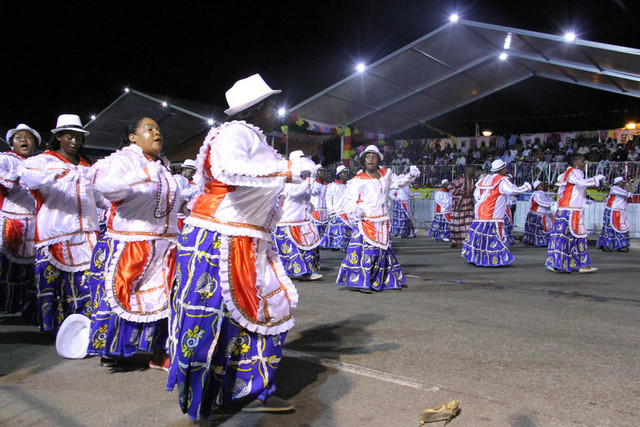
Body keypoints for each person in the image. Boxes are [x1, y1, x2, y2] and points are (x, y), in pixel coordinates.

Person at [167, 74, 316, 419]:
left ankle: (253, 386)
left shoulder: (251, 136)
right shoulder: (233, 132)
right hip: (220, 237)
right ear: (260, 108)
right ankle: (206, 397)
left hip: (245, 238)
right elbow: (229, 170)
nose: (276, 112)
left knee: (261, 311)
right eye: (272, 106)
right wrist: (288, 168)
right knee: (211, 319)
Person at [86, 117, 180, 370]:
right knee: (122, 297)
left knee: (167, 299)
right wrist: (141, 177)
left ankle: (160, 352)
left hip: (166, 245)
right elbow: (109, 187)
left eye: (158, 129)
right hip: (133, 243)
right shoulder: (124, 160)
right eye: (149, 129)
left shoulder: (162, 166)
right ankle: (112, 348)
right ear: (132, 137)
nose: (156, 132)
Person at [20, 114, 103, 332]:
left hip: (86, 233)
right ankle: (56, 330)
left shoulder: (87, 165)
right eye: (69, 136)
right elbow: (27, 177)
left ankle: (84, 328)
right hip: (56, 232)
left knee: (87, 283)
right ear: (58, 137)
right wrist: (61, 172)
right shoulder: (44, 161)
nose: (74, 141)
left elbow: (97, 196)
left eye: (78, 137)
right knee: (53, 285)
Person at [335, 145, 419, 293]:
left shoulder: (386, 176)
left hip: (382, 220)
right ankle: (361, 282)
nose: (370, 159)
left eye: (373, 157)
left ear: (378, 160)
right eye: (368, 157)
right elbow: (349, 200)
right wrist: (356, 211)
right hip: (365, 221)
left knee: (381, 252)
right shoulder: (357, 180)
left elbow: (399, 182)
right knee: (366, 253)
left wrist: (411, 176)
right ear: (364, 161)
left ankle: (381, 280)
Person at [0, 124, 38, 319]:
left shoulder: (40, 162)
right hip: (12, 220)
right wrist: (22, 174)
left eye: (28, 137)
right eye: (19, 137)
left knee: (31, 270)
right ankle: (7, 305)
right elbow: (3, 180)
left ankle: (27, 308)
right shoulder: (5, 159)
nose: (24, 140)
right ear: (12, 143)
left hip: (35, 223)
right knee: (7, 267)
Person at [462, 160, 531, 267]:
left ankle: (477, 258)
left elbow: (477, 195)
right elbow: (512, 191)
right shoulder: (502, 180)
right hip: (492, 215)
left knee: (480, 237)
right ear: (502, 169)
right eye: (505, 168)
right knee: (496, 237)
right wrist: (526, 187)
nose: (506, 170)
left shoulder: (485, 179)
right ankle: (494, 260)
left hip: (481, 213)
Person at [545, 154, 605, 273]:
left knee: (572, 238)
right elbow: (581, 184)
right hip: (570, 211)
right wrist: (596, 178)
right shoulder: (573, 172)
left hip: (569, 210)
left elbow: (571, 192)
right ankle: (562, 264)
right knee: (573, 238)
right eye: (582, 161)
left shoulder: (570, 173)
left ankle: (572, 264)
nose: (584, 163)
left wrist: (585, 200)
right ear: (576, 162)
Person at [272, 176, 323, 281]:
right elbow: (296, 192)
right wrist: (309, 181)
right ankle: (281, 274)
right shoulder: (287, 184)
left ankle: (308, 273)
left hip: (304, 222)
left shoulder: (305, 183)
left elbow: (315, 192)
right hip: (288, 223)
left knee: (310, 248)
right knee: (290, 251)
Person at [596, 177, 634, 252]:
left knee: (620, 228)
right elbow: (628, 194)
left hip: (618, 212)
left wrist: (629, 190)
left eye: (624, 182)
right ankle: (607, 245)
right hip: (613, 211)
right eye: (622, 182)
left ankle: (620, 245)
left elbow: (630, 195)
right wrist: (629, 190)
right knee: (611, 229)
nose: (623, 183)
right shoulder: (614, 188)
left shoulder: (621, 189)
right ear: (617, 183)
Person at [322, 165, 352, 250]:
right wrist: (331, 210)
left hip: (347, 211)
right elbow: (328, 198)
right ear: (339, 175)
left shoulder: (350, 185)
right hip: (337, 211)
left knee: (346, 230)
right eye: (343, 173)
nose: (346, 174)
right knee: (338, 230)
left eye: (346, 172)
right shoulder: (333, 185)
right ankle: (337, 245)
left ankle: (343, 245)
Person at [449, 164, 476, 248]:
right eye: (472, 169)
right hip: (459, 206)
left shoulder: (473, 180)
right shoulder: (459, 180)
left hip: (468, 205)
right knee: (456, 224)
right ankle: (454, 241)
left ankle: (466, 241)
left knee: (468, 224)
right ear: (468, 171)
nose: (474, 171)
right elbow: (450, 188)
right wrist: (460, 193)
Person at [522, 180, 553, 246]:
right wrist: (549, 204)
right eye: (541, 185)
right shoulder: (537, 194)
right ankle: (539, 242)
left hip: (542, 214)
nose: (542, 186)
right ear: (537, 187)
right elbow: (540, 202)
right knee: (542, 228)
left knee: (546, 227)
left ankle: (543, 241)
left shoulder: (542, 193)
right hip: (538, 214)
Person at [173, 159, 199, 230]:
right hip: (178, 215)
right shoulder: (177, 179)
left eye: (194, 173)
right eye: (191, 172)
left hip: (185, 214)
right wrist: (196, 189)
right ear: (185, 169)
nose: (192, 174)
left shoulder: (186, 181)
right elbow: (181, 194)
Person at [310, 165, 329, 237]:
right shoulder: (313, 183)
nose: (323, 173)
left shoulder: (327, 185)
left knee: (324, 227)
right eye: (321, 171)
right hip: (315, 209)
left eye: (324, 171)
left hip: (325, 209)